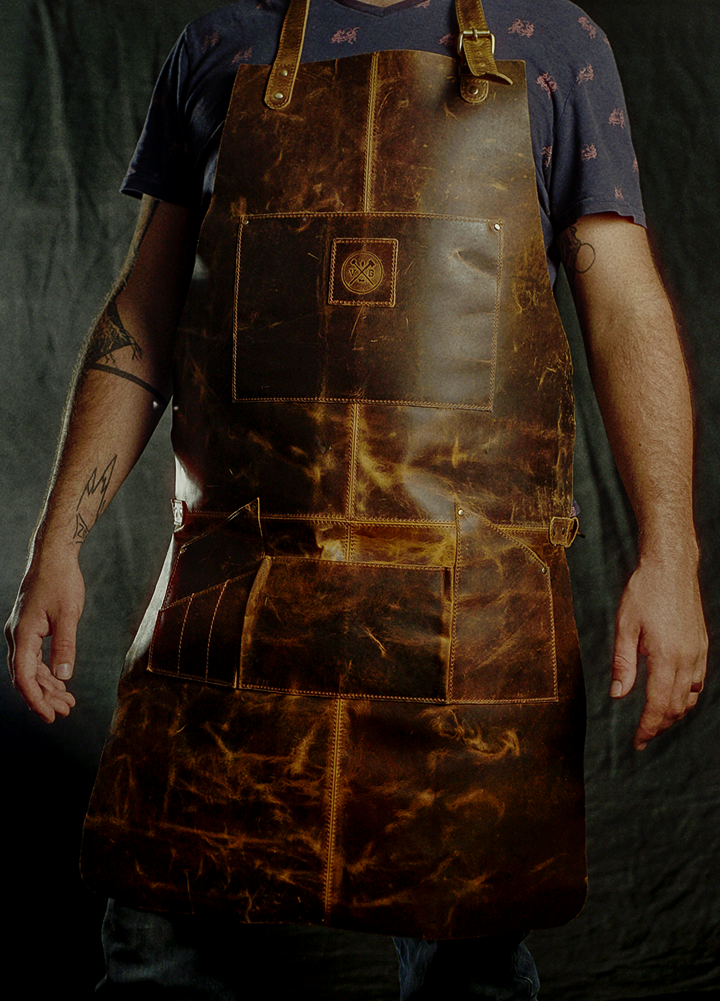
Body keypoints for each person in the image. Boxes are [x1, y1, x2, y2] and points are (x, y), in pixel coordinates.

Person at [4, 0, 707, 997]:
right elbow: (144, 317)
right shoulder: (220, 44)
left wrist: (670, 554)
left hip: (466, 631)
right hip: (234, 613)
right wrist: (58, 544)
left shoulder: (555, 44)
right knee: (160, 949)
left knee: (467, 975)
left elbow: (625, 306)